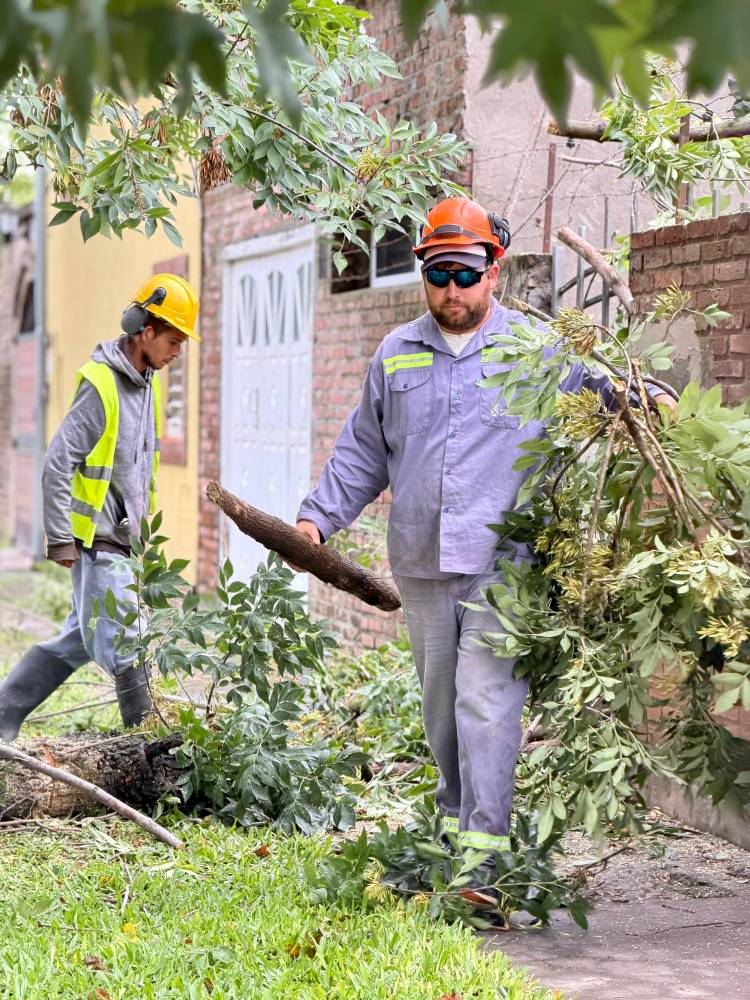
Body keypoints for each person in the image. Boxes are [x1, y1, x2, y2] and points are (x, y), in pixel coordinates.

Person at [294, 197, 675, 925]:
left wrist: (640, 397)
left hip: (508, 566)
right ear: (424, 274)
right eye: (439, 276)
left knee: (486, 704)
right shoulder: (396, 353)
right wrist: (316, 520)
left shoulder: (535, 350)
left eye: (466, 275)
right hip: (422, 566)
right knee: (442, 716)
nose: (452, 292)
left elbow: (602, 390)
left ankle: (483, 869)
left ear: (494, 273)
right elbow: (363, 452)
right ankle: (454, 836)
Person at [0, 273, 200, 741]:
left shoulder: (145, 384)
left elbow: (138, 471)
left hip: (125, 543)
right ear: (145, 331)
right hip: (98, 540)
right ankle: (147, 746)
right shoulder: (103, 384)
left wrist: (145, 542)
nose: (178, 352)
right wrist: (59, 536)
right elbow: (58, 459)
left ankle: (4, 709)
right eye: (174, 340)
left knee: (78, 640)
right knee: (124, 642)